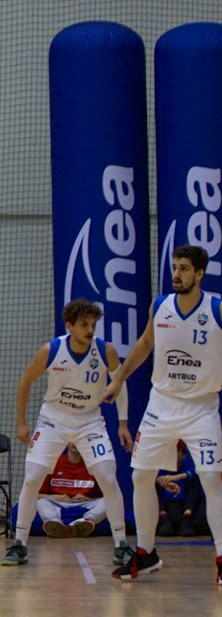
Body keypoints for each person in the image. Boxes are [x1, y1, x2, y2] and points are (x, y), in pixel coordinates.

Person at [104, 244, 222, 581]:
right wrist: (118, 380)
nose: (177, 274)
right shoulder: (160, 306)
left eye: (184, 268)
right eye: (174, 267)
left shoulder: (216, 309)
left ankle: (221, 557)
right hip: (162, 404)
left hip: (201, 407)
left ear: (199, 274)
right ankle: (146, 553)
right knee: (141, 476)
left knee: (211, 479)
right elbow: (144, 344)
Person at [4, 298, 132, 566]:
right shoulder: (50, 350)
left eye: (93, 324)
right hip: (54, 419)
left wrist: (122, 423)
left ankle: (121, 544)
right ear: (69, 326)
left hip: (90, 421)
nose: (90, 330)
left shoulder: (105, 350)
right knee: (32, 478)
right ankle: (19, 544)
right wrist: (21, 422)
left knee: (108, 478)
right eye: (84, 324)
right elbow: (25, 381)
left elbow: (119, 383)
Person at [35, 446, 107, 538]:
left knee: (107, 502)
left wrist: (88, 498)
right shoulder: (54, 462)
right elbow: (36, 495)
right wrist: (55, 497)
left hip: (84, 503)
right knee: (41, 502)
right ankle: (53, 523)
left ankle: (87, 521)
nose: (75, 444)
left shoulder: (93, 465)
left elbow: (102, 495)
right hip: (58, 502)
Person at [157, 441, 207, 537]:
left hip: (185, 506)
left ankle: (187, 516)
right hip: (167, 506)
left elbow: (199, 471)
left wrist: (178, 477)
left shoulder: (187, 466)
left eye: (176, 450)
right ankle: (164, 518)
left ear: (183, 455)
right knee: (150, 487)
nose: (173, 454)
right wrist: (160, 481)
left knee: (196, 482)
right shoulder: (159, 469)